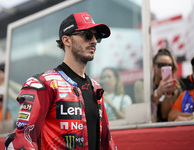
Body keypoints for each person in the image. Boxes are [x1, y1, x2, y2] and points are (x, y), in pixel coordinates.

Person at [5, 12, 117, 150]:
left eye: (97, 37)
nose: (93, 40)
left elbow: (106, 141)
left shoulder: (96, 88)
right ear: (66, 40)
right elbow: (21, 140)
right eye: (87, 35)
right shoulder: (42, 84)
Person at [152, 48, 183, 122]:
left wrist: (168, 93)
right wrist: (158, 92)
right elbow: (148, 110)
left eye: (168, 65)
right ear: (154, 66)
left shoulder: (175, 87)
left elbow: (165, 116)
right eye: (161, 65)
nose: (164, 68)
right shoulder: (144, 85)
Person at [168, 56, 194, 121]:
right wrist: (192, 116)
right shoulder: (185, 95)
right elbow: (171, 116)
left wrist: (183, 117)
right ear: (191, 76)